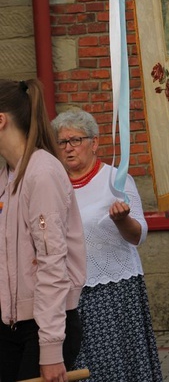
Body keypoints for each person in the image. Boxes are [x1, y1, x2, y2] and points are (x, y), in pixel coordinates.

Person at [51, 109, 162, 381]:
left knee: (114, 363)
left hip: (111, 290)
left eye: (75, 140)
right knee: (77, 365)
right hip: (67, 291)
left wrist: (122, 220)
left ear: (95, 143)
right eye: (62, 142)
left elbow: (138, 235)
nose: (68, 148)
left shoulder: (115, 179)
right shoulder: (53, 184)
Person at [0, 79, 86, 382]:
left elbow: (52, 264)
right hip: (12, 326)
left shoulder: (42, 173)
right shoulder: (7, 176)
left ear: (1, 120)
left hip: (41, 328)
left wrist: (50, 350)